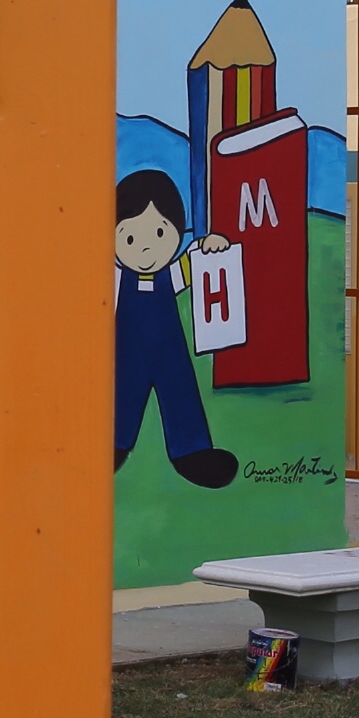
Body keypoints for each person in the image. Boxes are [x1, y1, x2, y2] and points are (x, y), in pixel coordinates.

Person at [115, 168, 238, 489]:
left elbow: (195, 262)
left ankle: (191, 452)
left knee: (181, 392)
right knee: (121, 395)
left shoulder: (171, 274)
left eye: (159, 234)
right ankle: (113, 445)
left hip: (170, 351)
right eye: (130, 238)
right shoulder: (115, 279)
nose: (145, 250)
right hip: (127, 353)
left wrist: (210, 244)